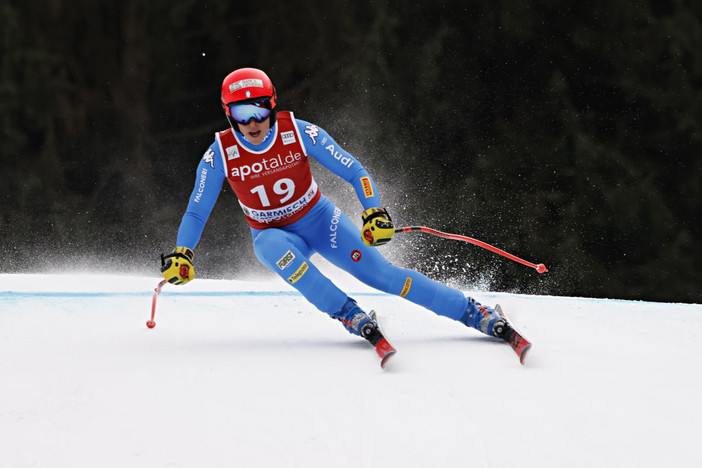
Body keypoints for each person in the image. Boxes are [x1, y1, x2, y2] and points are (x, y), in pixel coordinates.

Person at [160, 67, 511, 358]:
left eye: (260, 110)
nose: (253, 123)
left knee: (384, 276)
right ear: (228, 114)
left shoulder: (300, 132)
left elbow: (355, 171)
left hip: (320, 222)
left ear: (272, 106)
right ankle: (346, 312)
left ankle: (472, 312)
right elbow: (196, 211)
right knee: (268, 248)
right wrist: (183, 253)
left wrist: (374, 212)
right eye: (241, 114)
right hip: (275, 234)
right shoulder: (218, 154)